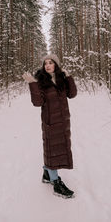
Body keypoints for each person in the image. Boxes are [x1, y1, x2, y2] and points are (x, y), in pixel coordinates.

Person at [22, 54, 77, 199]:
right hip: (51, 122)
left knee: (59, 148)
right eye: (45, 63)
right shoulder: (41, 81)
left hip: (64, 122)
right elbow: (37, 102)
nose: (47, 65)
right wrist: (32, 83)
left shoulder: (61, 80)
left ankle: (47, 173)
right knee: (52, 150)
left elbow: (72, 94)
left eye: (50, 63)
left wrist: (69, 76)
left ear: (56, 65)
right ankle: (56, 182)